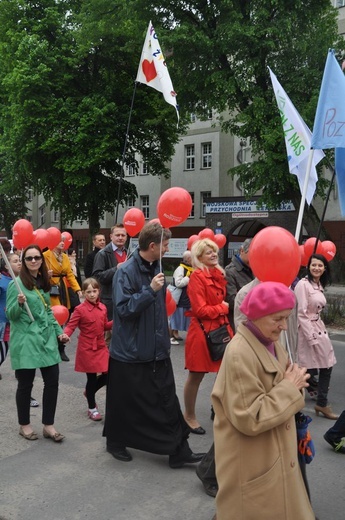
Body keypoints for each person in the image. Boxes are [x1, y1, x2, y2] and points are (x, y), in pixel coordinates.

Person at [103, 222, 205, 467]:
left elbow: (159, 309)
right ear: (152, 246)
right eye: (165, 245)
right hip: (131, 351)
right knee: (124, 401)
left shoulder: (156, 265)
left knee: (167, 399)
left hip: (157, 349)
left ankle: (178, 450)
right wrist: (149, 291)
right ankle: (115, 441)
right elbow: (123, 310)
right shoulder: (125, 271)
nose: (168, 249)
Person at [212, 281, 314, 520]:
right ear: (257, 315)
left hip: (272, 458)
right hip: (254, 465)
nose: (283, 327)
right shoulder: (239, 353)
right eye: (277, 319)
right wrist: (291, 385)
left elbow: (290, 381)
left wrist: (294, 382)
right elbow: (250, 417)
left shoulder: (270, 343)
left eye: (286, 318)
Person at [6, 244, 69, 442]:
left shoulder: (42, 282)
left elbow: (48, 312)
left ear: (41, 260)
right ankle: (24, 425)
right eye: (29, 258)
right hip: (26, 341)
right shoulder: (15, 284)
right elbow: (11, 315)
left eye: (37, 258)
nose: (33, 261)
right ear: (24, 262)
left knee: (52, 382)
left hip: (46, 339)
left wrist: (60, 332)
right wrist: (20, 303)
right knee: (25, 385)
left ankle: (48, 425)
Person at [183, 239, 233, 434]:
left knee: (225, 374)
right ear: (199, 257)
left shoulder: (218, 274)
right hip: (203, 332)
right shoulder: (196, 277)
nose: (214, 254)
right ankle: (189, 415)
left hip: (221, 329)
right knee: (196, 375)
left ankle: (221, 412)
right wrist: (222, 308)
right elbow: (200, 309)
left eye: (214, 251)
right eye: (208, 252)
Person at [294, 253, 338, 420]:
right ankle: (295, 403)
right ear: (308, 266)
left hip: (317, 326)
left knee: (325, 365)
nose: (316, 268)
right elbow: (301, 313)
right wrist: (311, 336)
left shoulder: (317, 284)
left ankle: (321, 402)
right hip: (307, 330)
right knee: (305, 368)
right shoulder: (303, 285)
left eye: (320, 265)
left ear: (324, 268)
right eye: (314, 265)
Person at [64, 278, 112, 421]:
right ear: (83, 293)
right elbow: (71, 325)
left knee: (110, 374)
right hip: (87, 348)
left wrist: (117, 322)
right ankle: (92, 408)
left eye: (94, 291)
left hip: (101, 346)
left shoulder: (103, 307)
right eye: (88, 292)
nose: (92, 294)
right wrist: (65, 334)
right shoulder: (80, 309)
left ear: (99, 292)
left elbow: (104, 326)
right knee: (91, 378)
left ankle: (89, 392)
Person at [43, 236, 82, 362]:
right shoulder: (45, 255)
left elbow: (70, 275)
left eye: (63, 241)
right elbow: (37, 273)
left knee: (64, 317)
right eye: (59, 241)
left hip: (63, 290)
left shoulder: (65, 257)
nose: (62, 243)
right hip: (51, 290)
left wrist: (77, 289)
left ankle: (61, 347)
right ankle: (52, 347)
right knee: (54, 318)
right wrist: (45, 275)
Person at [92, 224, 127, 321]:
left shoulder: (128, 253)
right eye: (117, 235)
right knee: (109, 332)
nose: (120, 238)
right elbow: (97, 277)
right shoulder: (102, 254)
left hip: (125, 299)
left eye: (123, 235)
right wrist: (116, 268)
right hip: (109, 300)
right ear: (111, 236)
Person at [225, 238, 253, 331]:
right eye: (252, 253)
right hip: (239, 323)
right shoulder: (230, 271)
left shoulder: (255, 268)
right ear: (242, 251)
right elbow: (232, 301)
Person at [169, 250, 193, 344]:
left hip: (187, 297)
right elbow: (178, 283)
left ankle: (176, 333)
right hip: (180, 297)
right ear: (188, 259)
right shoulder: (180, 269)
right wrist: (188, 278)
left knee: (184, 316)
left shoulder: (190, 268)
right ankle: (172, 334)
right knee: (176, 316)